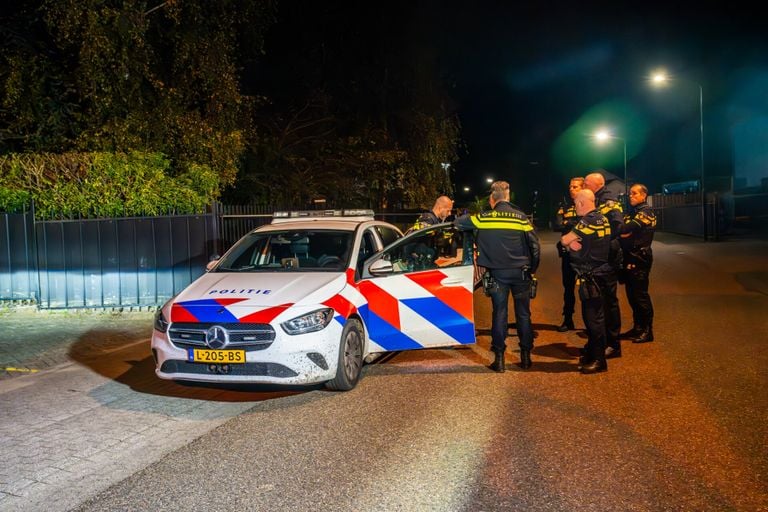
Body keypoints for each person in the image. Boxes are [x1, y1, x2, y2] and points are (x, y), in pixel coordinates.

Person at [454, 180, 540, 372]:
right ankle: (526, 358)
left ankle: (499, 360)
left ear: (492, 199)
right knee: (524, 315)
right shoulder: (521, 218)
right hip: (521, 273)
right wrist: (531, 270)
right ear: (508, 197)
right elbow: (535, 246)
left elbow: (458, 223)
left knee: (499, 314)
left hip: (497, 275)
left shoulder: (484, 218)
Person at [561, 189, 612, 374]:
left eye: (575, 204)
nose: (575, 208)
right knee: (595, 317)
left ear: (582, 203)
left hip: (592, 276)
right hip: (600, 273)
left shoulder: (588, 221)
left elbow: (566, 240)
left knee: (593, 320)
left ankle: (599, 361)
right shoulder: (602, 218)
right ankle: (593, 353)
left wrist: (571, 244)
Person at [584, 171, 623, 359]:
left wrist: (602, 242)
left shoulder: (608, 200)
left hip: (607, 258)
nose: (584, 186)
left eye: (586, 183)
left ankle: (613, 345)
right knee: (601, 302)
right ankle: (602, 341)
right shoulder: (598, 199)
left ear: (597, 184)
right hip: (601, 257)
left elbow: (617, 224)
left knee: (608, 302)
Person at [618, 183, 657, 343]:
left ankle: (648, 331)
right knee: (631, 296)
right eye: (630, 193)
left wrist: (625, 231)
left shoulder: (646, 212)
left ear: (643, 195)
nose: (630, 196)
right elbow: (624, 229)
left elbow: (625, 228)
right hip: (630, 256)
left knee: (640, 296)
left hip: (640, 257)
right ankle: (637, 327)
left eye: (634, 193)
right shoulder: (633, 212)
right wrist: (624, 232)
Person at [554, 177, 584, 332]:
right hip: (568, 254)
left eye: (576, 186)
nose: (572, 189)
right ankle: (568, 319)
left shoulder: (589, 205)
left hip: (585, 255)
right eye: (570, 186)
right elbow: (556, 225)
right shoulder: (565, 206)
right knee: (568, 288)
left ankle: (590, 323)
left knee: (587, 290)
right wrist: (575, 222)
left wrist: (568, 223)